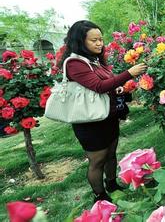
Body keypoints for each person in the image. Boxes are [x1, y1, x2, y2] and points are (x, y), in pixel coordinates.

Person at [59, 20, 147, 202]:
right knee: (97, 160)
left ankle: (112, 184)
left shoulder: (95, 61)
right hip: (90, 121)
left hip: (108, 115)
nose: (99, 43)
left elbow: (105, 84)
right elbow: (98, 86)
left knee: (111, 154)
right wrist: (129, 73)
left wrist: (118, 89)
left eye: (100, 39)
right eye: (94, 40)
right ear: (80, 41)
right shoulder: (75, 63)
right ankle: (100, 196)